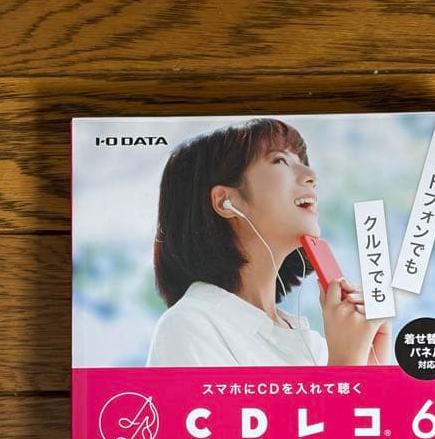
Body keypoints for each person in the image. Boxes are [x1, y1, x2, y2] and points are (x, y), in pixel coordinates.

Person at [147, 117, 392, 366]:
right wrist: (346, 363)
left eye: (301, 162)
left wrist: (368, 367)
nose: (311, 176)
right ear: (225, 201)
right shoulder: (188, 326)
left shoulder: (315, 347)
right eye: (280, 160)